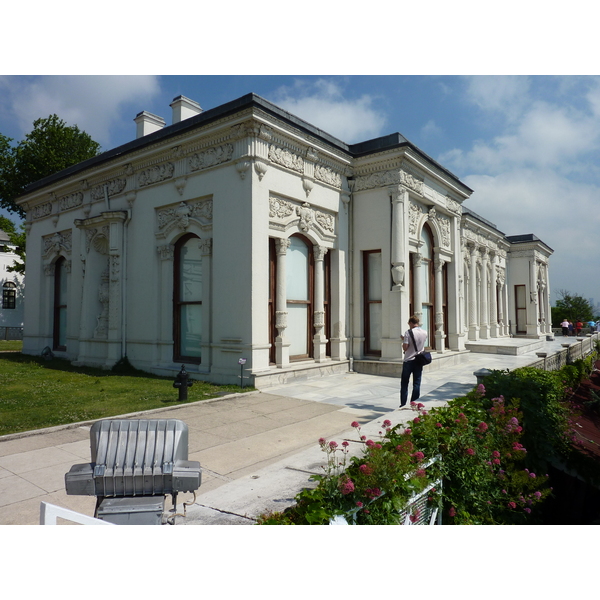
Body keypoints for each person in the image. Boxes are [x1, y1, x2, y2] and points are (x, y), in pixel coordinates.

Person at [400, 316, 428, 408]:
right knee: (417, 383)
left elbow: (405, 347)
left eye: (409, 324)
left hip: (409, 360)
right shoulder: (425, 332)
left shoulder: (408, 332)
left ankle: (403, 403)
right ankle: (414, 402)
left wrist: (403, 340)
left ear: (411, 323)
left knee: (404, 383)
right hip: (419, 360)